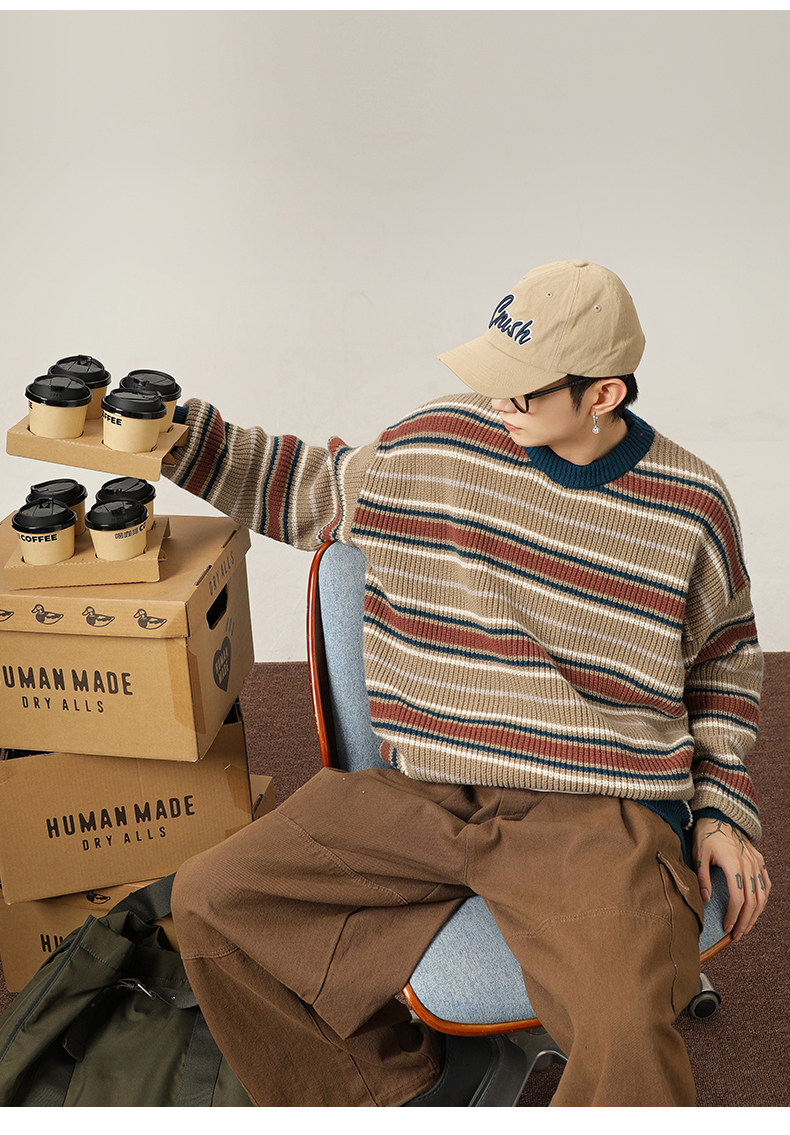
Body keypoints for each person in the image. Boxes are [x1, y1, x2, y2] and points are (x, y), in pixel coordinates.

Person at [164, 258, 770, 1106]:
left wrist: (724, 807)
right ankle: (388, 1097)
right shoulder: (441, 442)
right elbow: (309, 486)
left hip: (594, 811)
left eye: (521, 390)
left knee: (625, 1030)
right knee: (210, 899)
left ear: (603, 394)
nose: (496, 403)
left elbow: (726, 661)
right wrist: (177, 438)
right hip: (425, 790)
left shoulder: (691, 504)